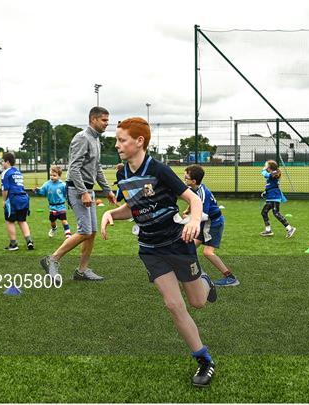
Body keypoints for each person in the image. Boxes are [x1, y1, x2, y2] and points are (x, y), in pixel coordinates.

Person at [100, 117, 217, 388]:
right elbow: (134, 208)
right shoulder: (122, 175)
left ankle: (204, 282)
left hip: (177, 242)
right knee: (174, 305)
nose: (117, 144)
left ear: (139, 141)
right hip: (150, 248)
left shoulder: (159, 169)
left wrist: (193, 220)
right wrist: (110, 213)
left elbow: (193, 199)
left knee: (198, 302)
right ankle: (204, 360)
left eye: (121, 140)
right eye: (117, 140)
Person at [40, 106, 116, 281]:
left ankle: (82, 271)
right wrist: (83, 192)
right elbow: (73, 168)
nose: (107, 123)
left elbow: (97, 168)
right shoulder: (82, 138)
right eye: (104, 120)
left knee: (93, 231)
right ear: (93, 119)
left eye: (107, 120)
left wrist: (107, 191)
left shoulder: (96, 140)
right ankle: (52, 259)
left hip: (88, 191)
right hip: (77, 190)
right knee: (85, 231)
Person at [183, 165, 238, 287]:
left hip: (213, 223)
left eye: (186, 178)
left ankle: (230, 277)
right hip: (206, 223)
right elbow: (194, 201)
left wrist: (187, 220)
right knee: (189, 248)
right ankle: (191, 274)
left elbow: (203, 215)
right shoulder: (194, 188)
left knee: (208, 252)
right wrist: (188, 210)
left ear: (194, 181)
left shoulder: (203, 193)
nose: (184, 179)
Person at [1, 152, 34, 251]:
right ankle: (29, 241)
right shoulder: (18, 171)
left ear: (7, 161)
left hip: (13, 199)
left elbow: (5, 189)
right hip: (24, 198)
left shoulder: (6, 172)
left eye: (2, 161)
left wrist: (3, 201)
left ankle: (13, 244)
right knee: (22, 221)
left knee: (9, 221)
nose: (2, 164)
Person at [260, 160, 296, 238]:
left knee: (276, 213)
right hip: (270, 197)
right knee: (264, 212)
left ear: (269, 167)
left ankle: (290, 228)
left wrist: (263, 170)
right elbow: (271, 185)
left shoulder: (274, 173)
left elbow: (266, 175)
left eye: (266, 165)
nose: (265, 166)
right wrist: (265, 192)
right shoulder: (272, 174)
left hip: (274, 197)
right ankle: (268, 230)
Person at [34, 165, 71, 238]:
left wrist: (69, 202)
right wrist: (38, 190)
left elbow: (66, 194)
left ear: (59, 176)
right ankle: (54, 228)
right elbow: (42, 191)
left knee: (64, 220)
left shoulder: (63, 185)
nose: (52, 177)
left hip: (61, 206)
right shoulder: (47, 184)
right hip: (52, 207)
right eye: (51, 175)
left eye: (54, 175)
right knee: (52, 221)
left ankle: (68, 233)